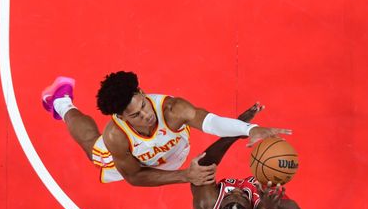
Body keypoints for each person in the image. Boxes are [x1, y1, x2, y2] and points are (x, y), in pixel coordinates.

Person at [41, 71, 290, 187]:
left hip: (169, 149)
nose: (147, 116)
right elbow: (134, 176)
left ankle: (61, 102)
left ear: (141, 92)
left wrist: (250, 129)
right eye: (136, 115)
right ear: (121, 117)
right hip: (140, 161)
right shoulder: (116, 136)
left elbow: (210, 121)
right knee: (92, 147)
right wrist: (184, 176)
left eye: (143, 106)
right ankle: (61, 102)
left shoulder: (172, 109)